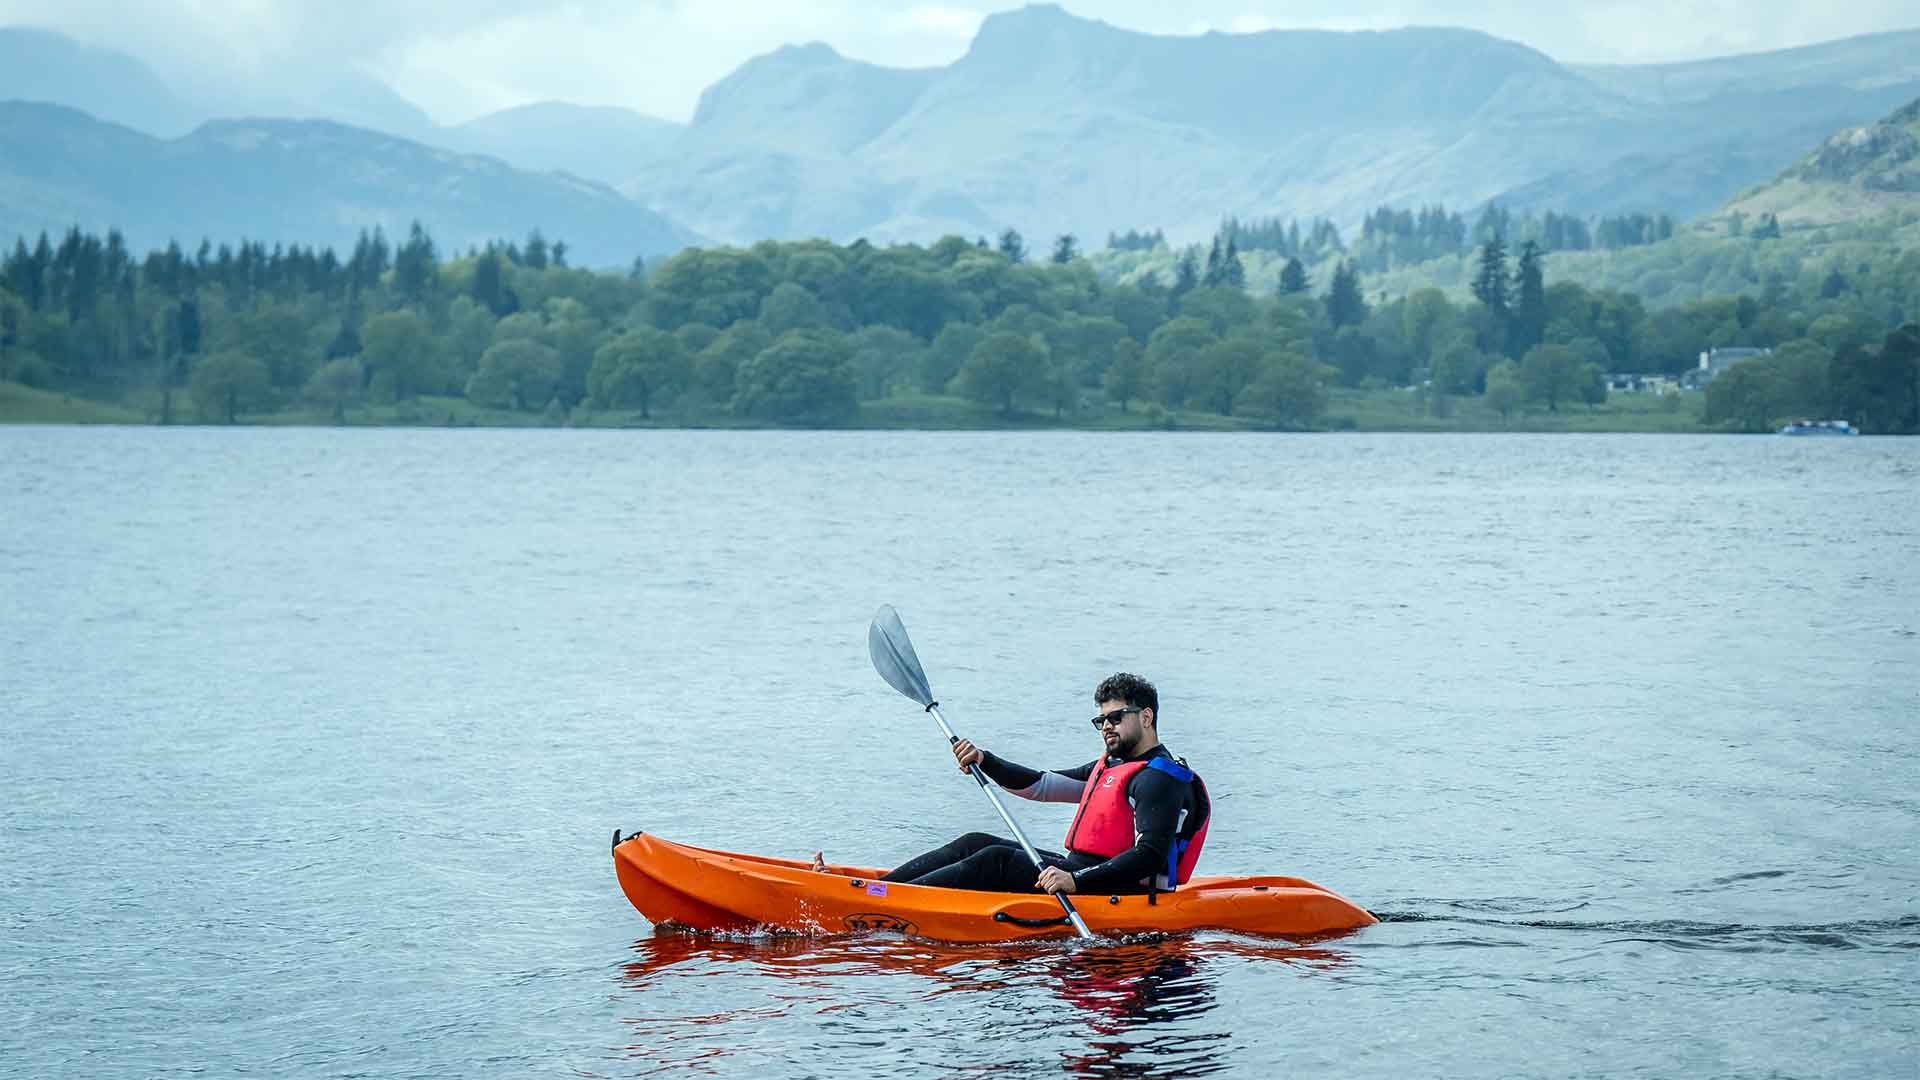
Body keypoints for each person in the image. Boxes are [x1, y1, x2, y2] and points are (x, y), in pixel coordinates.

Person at [813, 672, 1210, 895]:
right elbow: (1040, 784)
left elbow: (1151, 857)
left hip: (1115, 891)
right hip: (1078, 875)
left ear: (1146, 717)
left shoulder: (1158, 780)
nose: (1106, 725)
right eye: (1101, 719)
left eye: (1115, 716)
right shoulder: (1112, 767)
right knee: (975, 842)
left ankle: (878, 902)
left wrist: (1075, 880)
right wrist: (984, 760)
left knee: (997, 861)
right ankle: (872, 891)